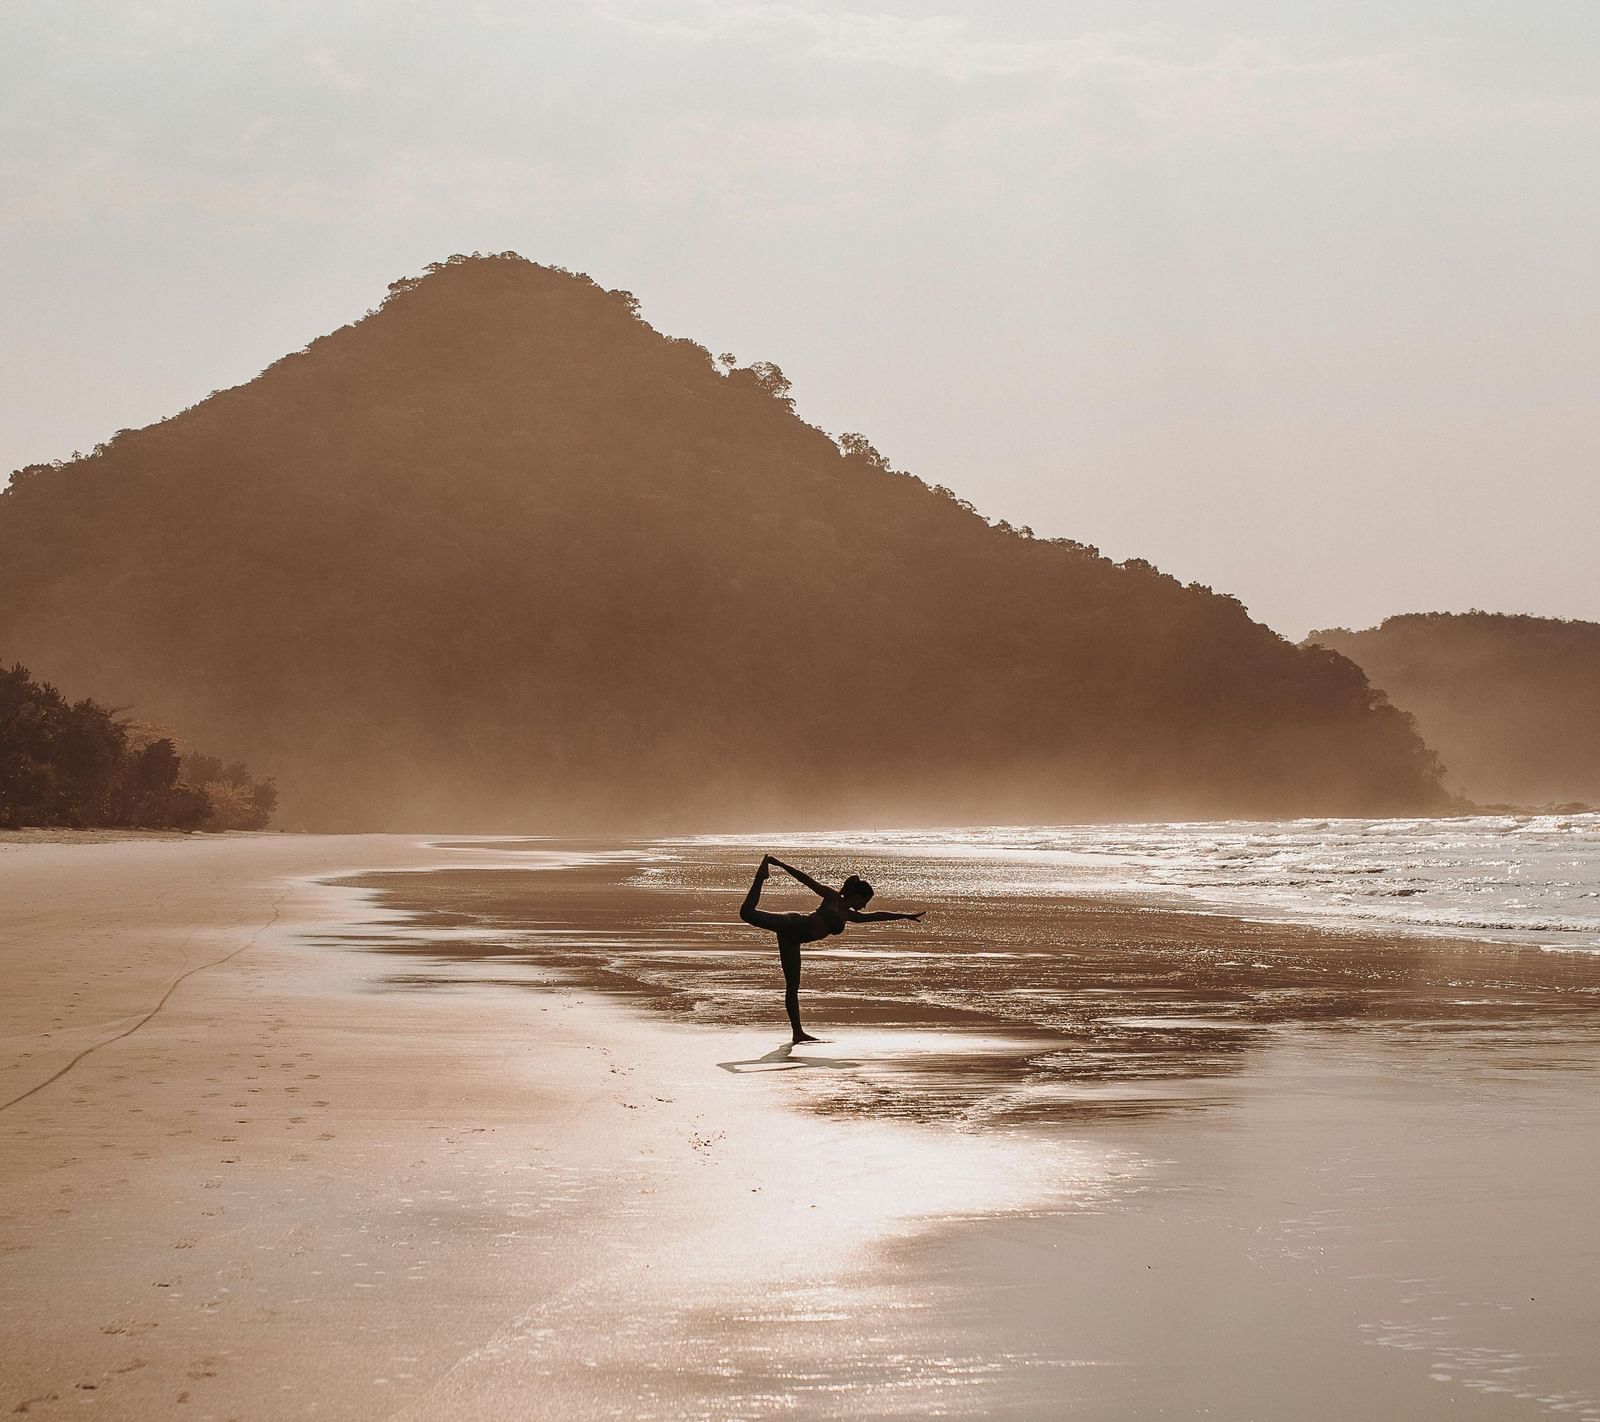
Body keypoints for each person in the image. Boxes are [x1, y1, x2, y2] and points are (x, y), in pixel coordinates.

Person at [738, 854, 924, 1043]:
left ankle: (798, 1032)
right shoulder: (831, 897)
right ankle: (761, 875)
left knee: (793, 986)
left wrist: (904, 916)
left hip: (793, 940)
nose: (865, 906)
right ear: (857, 896)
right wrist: (779, 864)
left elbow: (877, 916)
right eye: (864, 901)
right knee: (746, 913)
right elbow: (806, 880)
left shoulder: (849, 916)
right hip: (792, 924)